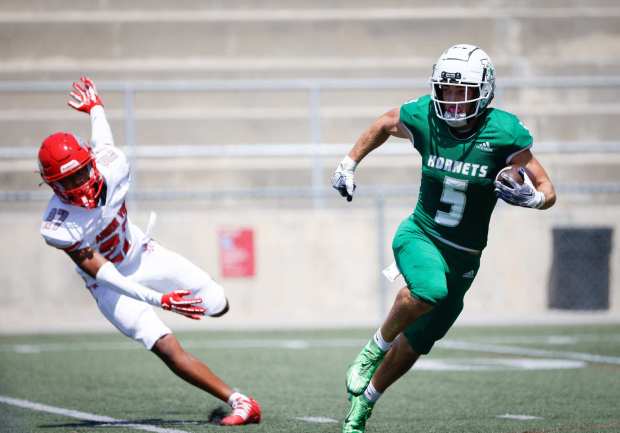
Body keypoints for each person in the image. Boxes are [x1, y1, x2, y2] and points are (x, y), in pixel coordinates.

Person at [331, 44, 556, 433]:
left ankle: (363, 406)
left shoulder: (503, 132)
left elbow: (547, 188)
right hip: (421, 233)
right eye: (446, 89)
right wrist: (348, 163)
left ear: (484, 91)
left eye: (460, 90)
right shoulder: (425, 117)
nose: (451, 99)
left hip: (465, 257)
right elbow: (385, 122)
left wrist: (534, 199)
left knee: (419, 341)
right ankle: (372, 349)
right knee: (428, 289)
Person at [38, 76, 261, 426]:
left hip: (142, 253)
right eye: (66, 182)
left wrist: (96, 108)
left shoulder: (112, 164)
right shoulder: (59, 224)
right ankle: (241, 402)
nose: (78, 186)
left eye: (80, 174)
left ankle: (208, 316)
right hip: (110, 284)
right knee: (165, 346)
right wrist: (159, 301)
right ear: (52, 185)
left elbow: (104, 140)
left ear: (91, 163)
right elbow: (104, 272)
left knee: (217, 303)